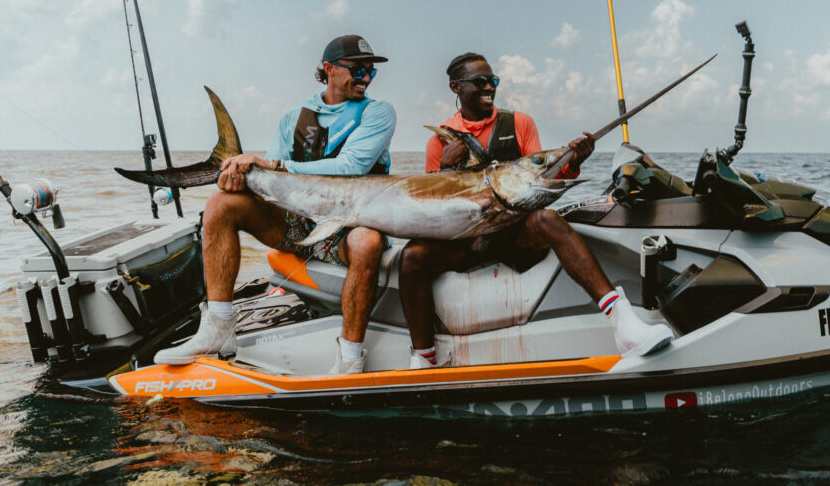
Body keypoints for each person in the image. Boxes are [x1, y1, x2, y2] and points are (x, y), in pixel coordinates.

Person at [398, 52, 673, 369]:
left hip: (513, 234)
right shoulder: (440, 141)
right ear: (455, 87)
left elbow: (542, 185)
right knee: (412, 256)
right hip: (466, 241)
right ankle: (425, 359)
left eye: (494, 81)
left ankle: (624, 324)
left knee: (547, 218)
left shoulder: (519, 123)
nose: (490, 87)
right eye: (481, 81)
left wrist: (574, 162)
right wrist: (445, 168)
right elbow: (432, 207)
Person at [154, 35, 396, 375]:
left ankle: (350, 356)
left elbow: (351, 167)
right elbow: (272, 187)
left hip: (352, 223)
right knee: (221, 202)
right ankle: (218, 328)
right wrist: (235, 178)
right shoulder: (292, 118)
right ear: (329, 69)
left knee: (367, 241)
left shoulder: (378, 112)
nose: (367, 78)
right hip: (299, 225)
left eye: (371, 71)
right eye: (358, 70)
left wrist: (277, 167)